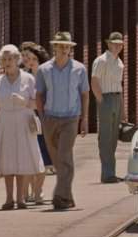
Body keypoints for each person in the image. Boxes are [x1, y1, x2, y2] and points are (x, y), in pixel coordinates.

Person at [36, 32, 90, 210]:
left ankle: (59, 197)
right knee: (58, 161)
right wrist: (42, 118)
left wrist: (84, 119)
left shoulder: (79, 69)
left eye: (67, 46)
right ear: (55, 48)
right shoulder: (43, 70)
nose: (65, 49)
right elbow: (39, 94)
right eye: (61, 46)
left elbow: (84, 94)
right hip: (50, 118)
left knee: (65, 156)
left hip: (70, 118)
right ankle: (68, 196)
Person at [0, 45, 45, 210]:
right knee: (7, 160)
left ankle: (20, 198)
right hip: (5, 122)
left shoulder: (28, 79)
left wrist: (25, 102)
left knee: (22, 159)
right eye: (4, 59)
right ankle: (8, 199)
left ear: (17, 60)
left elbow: (38, 104)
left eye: (10, 59)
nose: (7, 62)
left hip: (23, 120)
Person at [91, 32, 126, 184]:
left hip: (117, 98)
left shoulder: (120, 63)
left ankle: (111, 172)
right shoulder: (101, 61)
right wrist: (101, 101)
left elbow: (120, 86)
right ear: (108, 44)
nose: (118, 46)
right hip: (106, 97)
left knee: (113, 138)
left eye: (120, 43)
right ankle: (107, 174)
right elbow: (94, 81)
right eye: (115, 43)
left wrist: (123, 108)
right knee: (105, 137)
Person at [21, 43, 51, 205]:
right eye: (26, 57)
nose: (29, 61)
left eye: (33, 58)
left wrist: (31, 103)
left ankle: (38, 191)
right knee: (28, 156)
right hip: (25, 119)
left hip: (42, 118)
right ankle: (27, 193)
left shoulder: (45, 75)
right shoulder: (22, 76)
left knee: (42, 156)